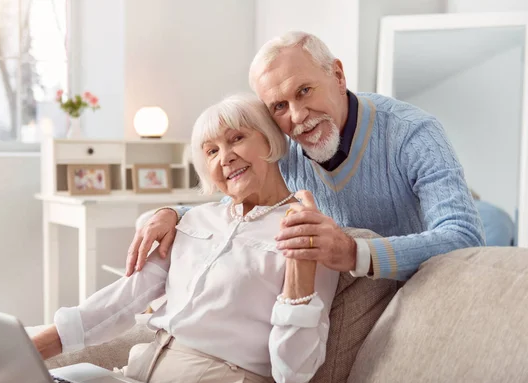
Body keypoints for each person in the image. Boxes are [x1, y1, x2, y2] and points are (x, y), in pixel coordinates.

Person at [0, 94, 339, 383]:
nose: (225, 158)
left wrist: (299, 274)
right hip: (137, 380)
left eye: (237, 139)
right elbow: (124, 299)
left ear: (270, 142)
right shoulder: (193, 220)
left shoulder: (307, 230)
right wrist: (17, 353)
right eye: (211, 151)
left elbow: (293, 373)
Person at [126, 31, 485, 282]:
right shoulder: (284, 148)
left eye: (305, 91)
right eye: (279, 106)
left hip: (414, 292)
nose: (297, 117)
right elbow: (237, 203)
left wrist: (354, 253)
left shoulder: (413, 133)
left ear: (338, 76)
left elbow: (465, 238)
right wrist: (172, 213)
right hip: (334, 300)